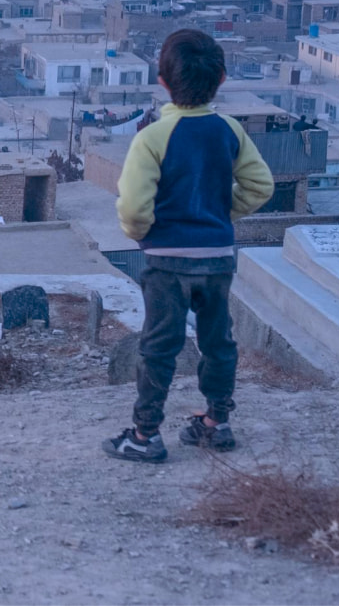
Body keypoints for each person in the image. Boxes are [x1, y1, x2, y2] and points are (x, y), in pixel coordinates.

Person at [103, 29, 273, 463]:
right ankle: (217, 424)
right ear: (220, 79)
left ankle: (145, 436)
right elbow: (260, 186)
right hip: (217, 257)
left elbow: (134, 206)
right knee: (219, 341)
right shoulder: (229, 130)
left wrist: (144, 233)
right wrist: (218, 217)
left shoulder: (153, 137)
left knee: (160, 345)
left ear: (162, 81)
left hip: (167, 259)